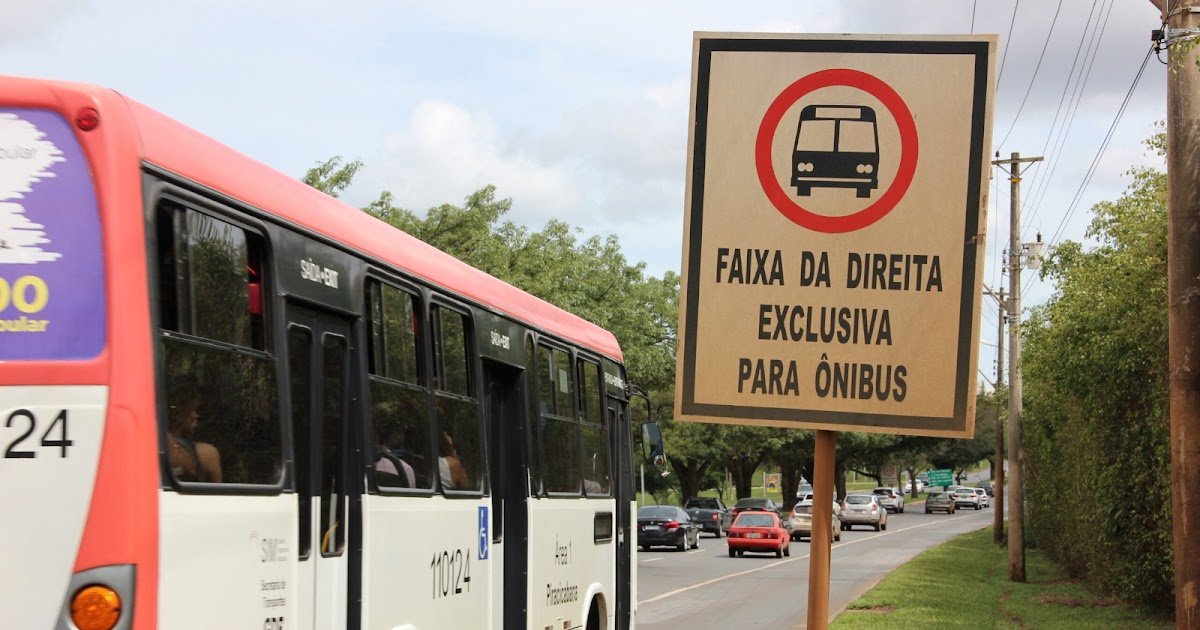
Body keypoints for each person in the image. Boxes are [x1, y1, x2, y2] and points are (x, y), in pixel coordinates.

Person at [166, 390, 222, 483]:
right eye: (193, 409)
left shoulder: (152, 447)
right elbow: (218, 495)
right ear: (177, 414)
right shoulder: (207, 454)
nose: (196, 415)